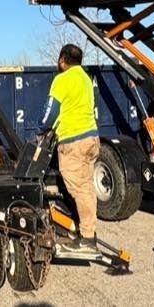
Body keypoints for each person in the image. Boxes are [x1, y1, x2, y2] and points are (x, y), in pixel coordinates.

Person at [39, 43, 100, 251]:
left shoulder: (61, 80)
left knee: (79, 188)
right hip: (92, 138)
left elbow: (50, 112)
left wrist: (42, 127)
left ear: (62, 59)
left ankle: (88, 239)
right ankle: (88, 229)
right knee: (87, 185)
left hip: (73, 141)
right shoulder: (86, 79)